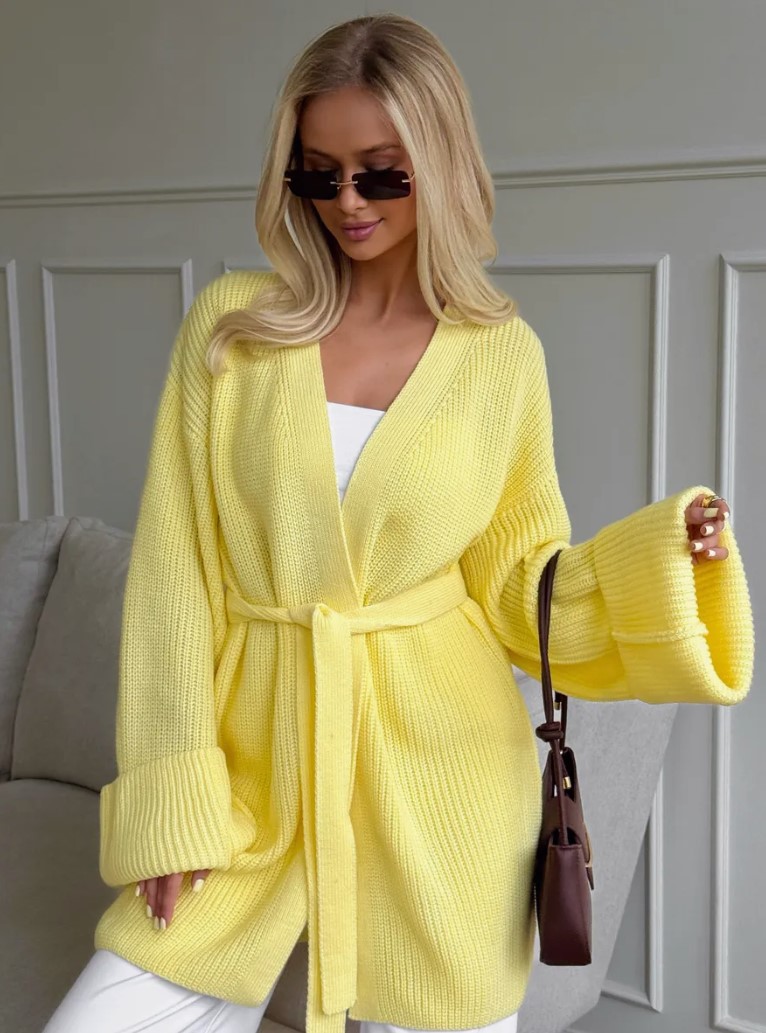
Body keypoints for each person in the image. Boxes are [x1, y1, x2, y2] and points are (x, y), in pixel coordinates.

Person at [42, 12, 754, 1033]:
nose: (347, 202)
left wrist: (665, 563)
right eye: (317, 173)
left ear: (442, 164)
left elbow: (517, 582)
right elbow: (173, 580)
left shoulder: (500, 357)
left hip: (439, 782)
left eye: (381, 174)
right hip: (252, 774)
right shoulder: (233, 331)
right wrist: (172, 801)